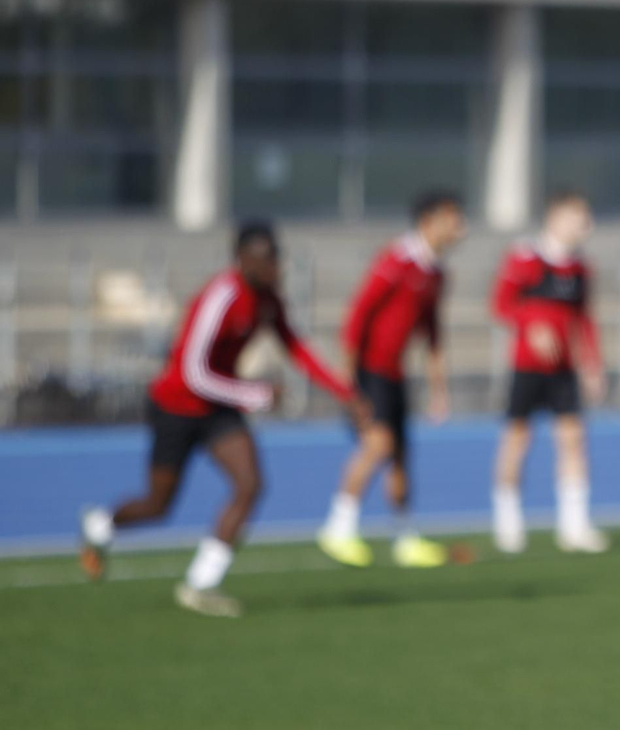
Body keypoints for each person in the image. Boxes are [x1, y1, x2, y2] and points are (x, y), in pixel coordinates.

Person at [79, 221, 360, 617]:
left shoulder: (267, 301)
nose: (274, 266)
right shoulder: (221, 296)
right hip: (176, 406)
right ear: (242, 260)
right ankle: (99, 526)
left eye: (276, 257)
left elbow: (296, 347)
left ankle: (201, 583)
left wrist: (346, 394)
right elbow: (193, 372)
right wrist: (255, 393)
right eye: (266, 259)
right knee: (158, 505)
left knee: (250, 484)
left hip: (218, 411)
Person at [317, 190, 465, 569]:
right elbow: (358, 314)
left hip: (395, 375)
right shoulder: (397, 260)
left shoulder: (435, 273)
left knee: (400, 458)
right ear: (429, 221)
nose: (459, 227)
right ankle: (338, 526)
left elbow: (431, 334)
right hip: (371, 370)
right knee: (378, 445)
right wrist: (348, 377)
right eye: (453, 218)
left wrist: (438, 389)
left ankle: (404, 538)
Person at [488, 192, 609, 554]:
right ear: (555, 218)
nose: (585, 226)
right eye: (578, 217)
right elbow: (500, 304)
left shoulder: (580, 269)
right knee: (517, 440)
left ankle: (574, 527)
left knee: (573, 439)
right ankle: (507, 524)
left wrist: (592, 363)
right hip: (527, 368)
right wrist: (533, 326)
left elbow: (583, 319)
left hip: (563, 371)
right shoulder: (525, 257)